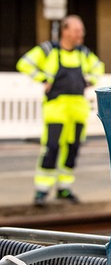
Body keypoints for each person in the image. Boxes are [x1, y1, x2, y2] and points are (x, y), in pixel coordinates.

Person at [16, 15, 105, 207]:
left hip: (77, 109)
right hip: (56, 109)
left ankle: (64, 188)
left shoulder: (83, 53)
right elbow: (24, 63)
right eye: (77, 30)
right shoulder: (48, 50)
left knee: (72, 149)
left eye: (81, 30)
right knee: (52, 148)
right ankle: (42, 190)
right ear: (65, 30)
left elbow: (99, 67)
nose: (81, 34)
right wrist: (41, 79)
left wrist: (90, 80)